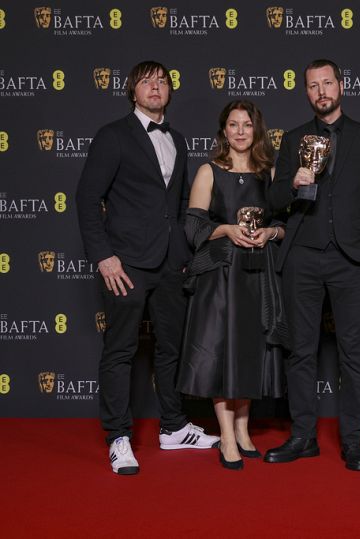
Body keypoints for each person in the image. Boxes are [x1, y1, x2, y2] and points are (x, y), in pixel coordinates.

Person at [76, 61, 219, 475]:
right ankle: (119, 437)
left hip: (169, 265)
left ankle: (173, 426)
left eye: (162, 81)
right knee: (120, 350)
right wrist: (104, 257)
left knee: (171, 348)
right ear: (132, 91)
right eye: (146, 81)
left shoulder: (175, 137)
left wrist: (183, 257)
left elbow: (176, 206)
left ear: (169, 91)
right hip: (125, 264)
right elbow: (87, 199)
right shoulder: (112, 136)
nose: (155, 87)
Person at [264, 59, 360, 472]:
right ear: (306, 93)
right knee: (300, 352)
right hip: (302, 256)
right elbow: (274, 199)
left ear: (341, 85)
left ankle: (352, 442)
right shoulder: (294, 139)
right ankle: (302, 437)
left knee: (354, 354)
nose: (321, 91)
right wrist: (294, 183)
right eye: (313, 86)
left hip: (352, 259)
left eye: (327, 83)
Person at [176, 100, 288, 470]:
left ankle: (242, 429)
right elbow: (192, 227)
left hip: (257, 273)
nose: (240, 131)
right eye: (233, 125)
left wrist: (269, 232)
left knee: (248, 350)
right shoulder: (210, 171)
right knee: (223, 350)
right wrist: (226, 229)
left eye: (247, 125)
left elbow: (285, 224)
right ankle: (226, 436)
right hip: (221, 273)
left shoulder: (268, 173)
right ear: (223, 130)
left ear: (257, 130)